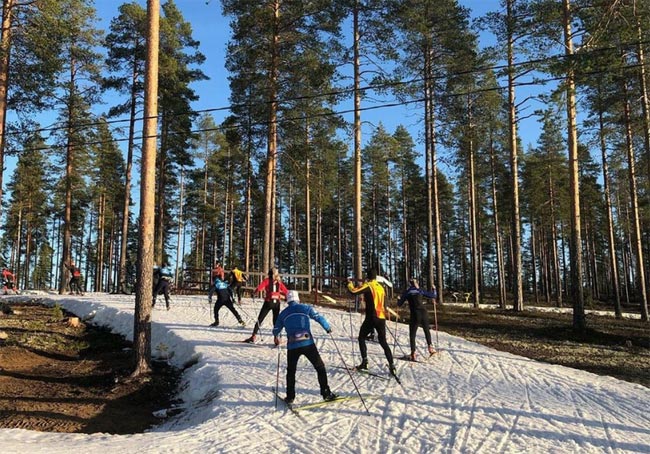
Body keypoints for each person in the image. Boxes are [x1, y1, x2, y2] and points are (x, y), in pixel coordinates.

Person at [273, 290, 337, 404]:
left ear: (287, 301)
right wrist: (327, 328)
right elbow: (318, 317)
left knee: (291, 371)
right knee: (320, 367)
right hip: (307, 343)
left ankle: (290, 396)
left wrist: (276, 334)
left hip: (292, 346)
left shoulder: (283, 313)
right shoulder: (305, 308)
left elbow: (276, 329)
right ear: (298, 299)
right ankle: (326, 392)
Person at [347, 267, 395, 376]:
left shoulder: (369, 285)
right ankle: (392, 365)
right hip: (381, 317)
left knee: (361, 338)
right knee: (383, 342)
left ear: (368, 276)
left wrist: (349, 284)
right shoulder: (380, 287)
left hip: (371, 317)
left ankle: (365, 362)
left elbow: (354, 291)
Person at [243, 267, 288, 343]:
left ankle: (253, 336)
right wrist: (286, 298)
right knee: (276, 321)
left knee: (260, 319)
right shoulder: (279, 282)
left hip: (268, 302)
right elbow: (286, 291)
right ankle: (276, 337)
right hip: (277, 303)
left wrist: (254, 293)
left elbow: (259, 288)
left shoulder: (267, 281)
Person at [397, 278, 437, 361]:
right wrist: (434, 289)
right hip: (424, 313)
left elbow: (399, 304)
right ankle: (430, 348)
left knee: (412, 334)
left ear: (409, 284)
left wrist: (398, 299)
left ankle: (413, 353)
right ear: (416, 283)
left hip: (415, 314)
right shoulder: (420, 290)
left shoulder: (407, 292)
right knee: (426, 330)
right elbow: (433, 295)